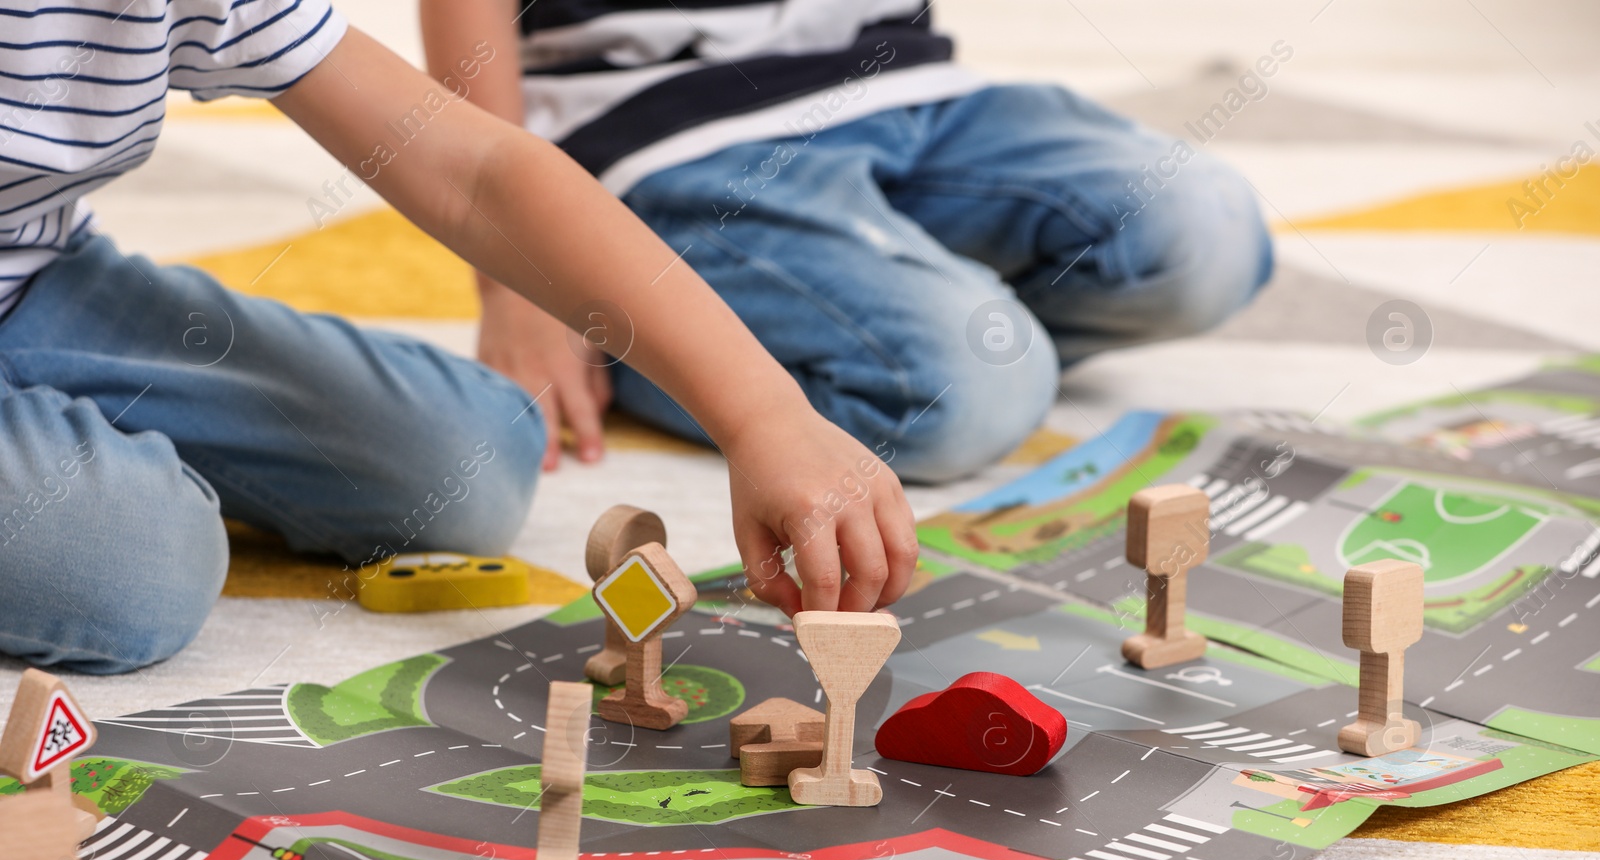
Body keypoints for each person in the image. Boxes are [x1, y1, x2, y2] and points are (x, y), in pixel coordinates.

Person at [0, 1, 916, 675]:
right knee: (139, 564)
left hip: (35, 275)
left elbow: (471, 167)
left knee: (471, 452)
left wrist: (760, 414)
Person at [421, 1, 1273, 484]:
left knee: (1207, 233)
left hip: (904, 78)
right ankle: (638, 334)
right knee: (964, 398)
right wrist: (518, 275)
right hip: (668, 126)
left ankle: (887, 305)